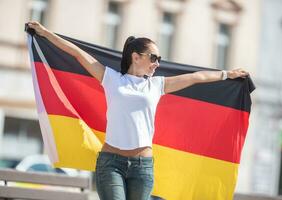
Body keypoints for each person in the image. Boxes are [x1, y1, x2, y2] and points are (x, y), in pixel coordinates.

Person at [27, 21, 249, 200]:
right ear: (136, 56)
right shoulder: (111, 79)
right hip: (111, 163)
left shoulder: (156, 85)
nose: (157, 64)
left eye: (159, 60)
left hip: (143, 167)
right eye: (153, 58)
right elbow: (76, 53)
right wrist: (45, 33)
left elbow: (195, 77)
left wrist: (226, 74)